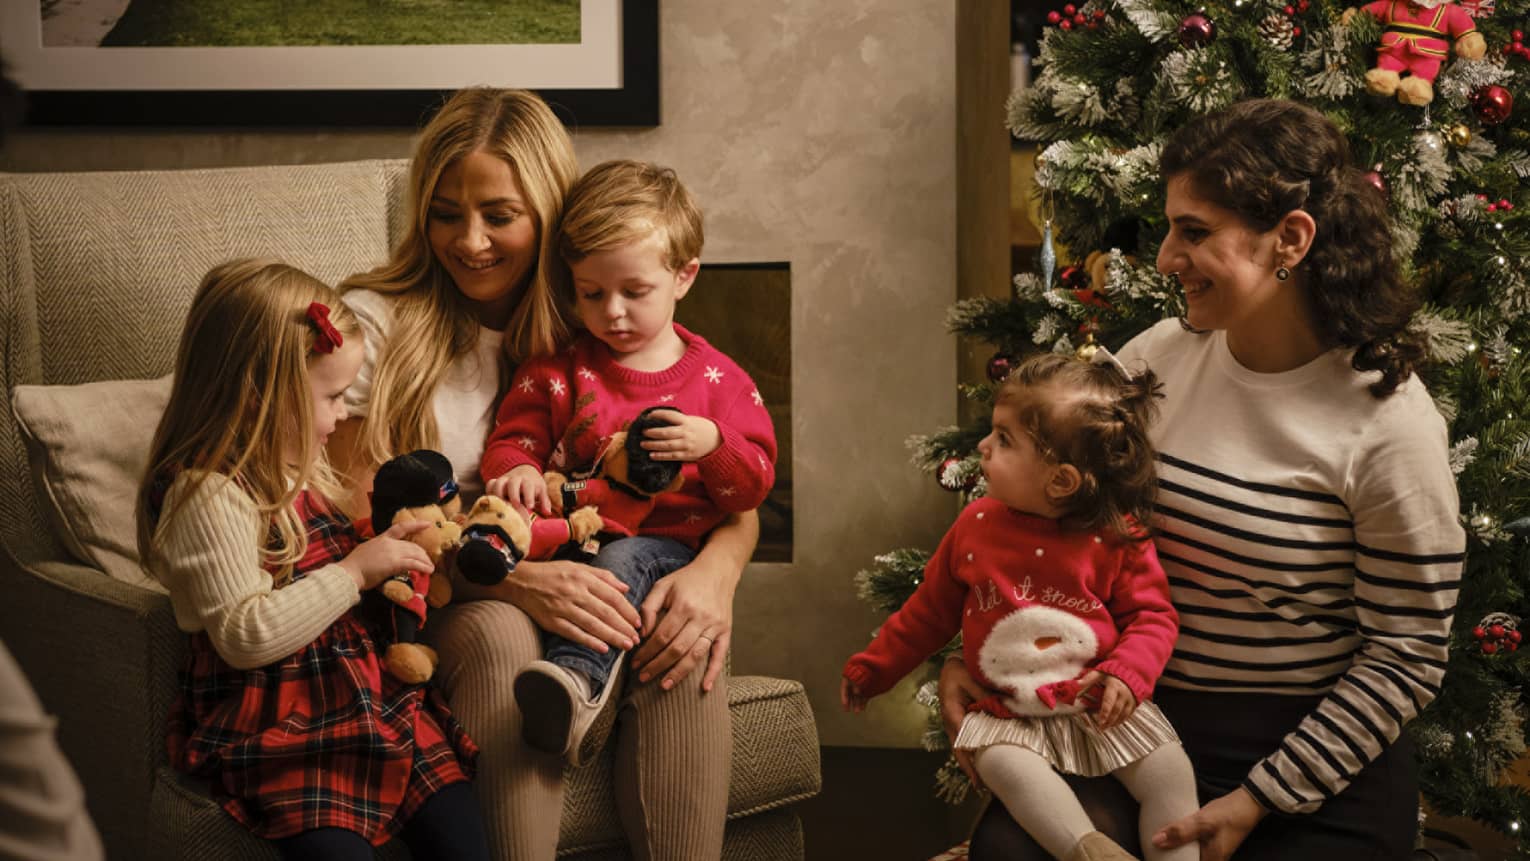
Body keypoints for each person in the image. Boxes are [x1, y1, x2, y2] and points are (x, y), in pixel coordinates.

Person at [947, 98, 1465, 861]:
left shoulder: (1389, 423)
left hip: (1313, 761)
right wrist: (973, 648)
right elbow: (1034, 506)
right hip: (1136, 717)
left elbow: (1407, 653)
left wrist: (1259, 799)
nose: (1164, 258)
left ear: (1290, 238)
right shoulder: (1159, 356)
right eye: (1170, 228)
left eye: (1195, 232)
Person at [331, 88, 756, 860]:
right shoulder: (376, 322)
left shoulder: (602, 316)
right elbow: (349, 508)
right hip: (433, 590)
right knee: (499, 634)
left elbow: (723, 485)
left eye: (500, 214)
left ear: (549, 216)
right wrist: (513, 576)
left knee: (676, 626)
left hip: (595, 559)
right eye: (445, 212)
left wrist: (714, 577)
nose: (470, 241)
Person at [133, 259, 490, 861]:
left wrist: (385, 544)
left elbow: (322, 551)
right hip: (279, 718)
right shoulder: (207, 495)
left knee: (462, 832)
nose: (343, 414)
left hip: (366, 696)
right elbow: (245, 634)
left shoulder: (293, 464)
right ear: (258, 399)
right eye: (331, 396)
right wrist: (355, 572)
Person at [843, 352, 1197, 861]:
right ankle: (1089, 850)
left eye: (1005, 440)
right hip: (1007, 710)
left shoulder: (1116, 536)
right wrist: (873, 669)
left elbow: (1152, 616)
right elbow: (927, 613)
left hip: (1091, 703)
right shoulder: (976, 526)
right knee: (1006, 767)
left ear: (1060, 481)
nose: (983, 447)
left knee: (1170, 771)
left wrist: (1125, 674)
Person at [480, 158, 776, 764]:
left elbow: (752, 491)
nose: (612, 311)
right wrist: (518, 470)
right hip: (567, 540)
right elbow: (514, 441)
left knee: (621, 559)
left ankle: (573, 687)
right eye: (591, 293)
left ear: (685, 276)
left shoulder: (721, 385)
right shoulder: (558, 371)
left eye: (634, 292)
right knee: (587, 562)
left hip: (664, 549)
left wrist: (714, 445)